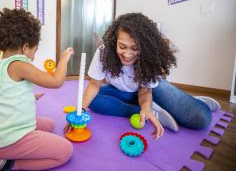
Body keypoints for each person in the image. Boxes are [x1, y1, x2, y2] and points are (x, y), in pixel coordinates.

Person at [69, 12, 220, 140]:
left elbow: (144, 91)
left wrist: (146, 103)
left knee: (201, 119)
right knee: (92, 102)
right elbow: (94, 85)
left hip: (151, 89)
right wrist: (79, 112)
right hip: (124, 92)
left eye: (135, 49)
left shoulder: (149, 57)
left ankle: (188, 101)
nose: (127, 54)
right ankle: (147, 112)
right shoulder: (104, 51)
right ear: (115, 41)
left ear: (144, 47)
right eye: (122, 47)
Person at [0, 8, 74, 171]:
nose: (34, 55)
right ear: (26, 47)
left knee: (49, 124)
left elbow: (4, 95)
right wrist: (63, 59)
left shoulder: (0, 64)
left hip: (0, 133)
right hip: (9, 140)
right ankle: (9, 162)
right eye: (35, 50)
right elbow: (56, 81)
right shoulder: (19, 64)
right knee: (65, 151)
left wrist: (30, 97)